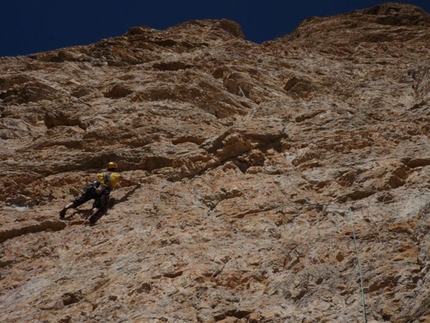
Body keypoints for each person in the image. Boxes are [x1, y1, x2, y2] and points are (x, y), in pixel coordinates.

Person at [59, 162, 140, 225]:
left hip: (92, 188)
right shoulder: (117, 175)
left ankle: (65, 208)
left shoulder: (101, 173)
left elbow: (99, 181)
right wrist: (137, 184)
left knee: (78, 201)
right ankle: (92, 215)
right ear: (115, 168)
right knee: (98, 205)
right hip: (104, 191)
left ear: (108, 168)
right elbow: (128, 182)